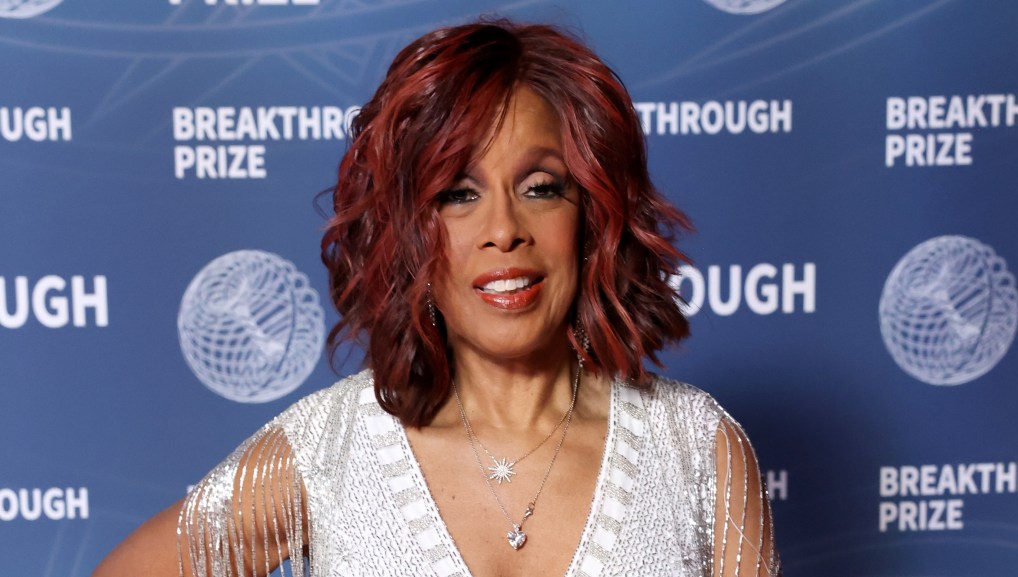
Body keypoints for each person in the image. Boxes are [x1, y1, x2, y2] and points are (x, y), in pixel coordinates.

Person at [94, 20, 779, 577]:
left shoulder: (696, 448)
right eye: (458, 194)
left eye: (540, 188)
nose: (504, 229)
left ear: (591, 217)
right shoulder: (330, 449)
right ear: (409, 233)